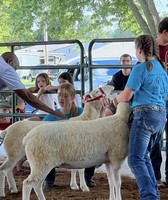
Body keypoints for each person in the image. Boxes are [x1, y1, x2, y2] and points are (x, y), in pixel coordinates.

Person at [112, 35, 168, 199]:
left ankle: (149, 196)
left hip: (144, 116)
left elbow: (127, 95)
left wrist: (114, 100)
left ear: (139, 50)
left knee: (135, 159)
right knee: (144, 156)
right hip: (160, 116)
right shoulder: (161, 68)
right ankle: (153, 194)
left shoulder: (140, 68)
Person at [0, 52, 65, 119]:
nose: (14, 72)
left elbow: (29, 93)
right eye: (14, 69)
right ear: (9, 61)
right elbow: (28, 96)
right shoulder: (6, 69)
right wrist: (54, 113)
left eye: (43, 81)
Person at [43, 83, 83, 188]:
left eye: (65, 96)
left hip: (79, 149)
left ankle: (87, 179)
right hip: (58, 150)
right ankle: (49, 180)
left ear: (73, 97)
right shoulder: (50, 116)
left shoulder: (82, 113)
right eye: (59, 95)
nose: (61, 98)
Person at [150, 17, 168, 188]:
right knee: (156, 140)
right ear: (165, 32)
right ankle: (155, 176)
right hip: (156, 99)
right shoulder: (151, 48)